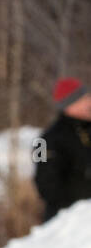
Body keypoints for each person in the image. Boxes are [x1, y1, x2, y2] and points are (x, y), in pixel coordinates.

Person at [35, 77, 91, 223]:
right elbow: (44, 184)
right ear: (70, 104)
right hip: (67, 221)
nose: (89, 102)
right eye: (84, 99)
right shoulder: (43, 140)